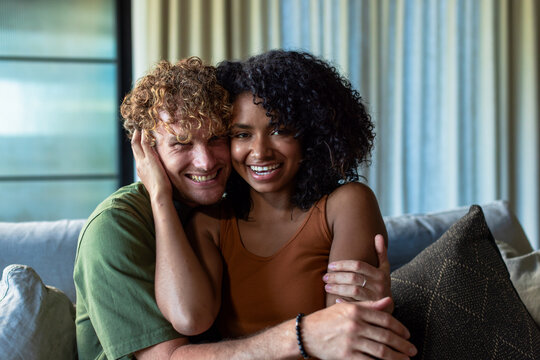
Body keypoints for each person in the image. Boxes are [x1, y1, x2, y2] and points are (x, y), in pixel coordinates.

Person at [74, 56, 416, 360]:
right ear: (147, 151)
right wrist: (159, 197)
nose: (205, 161)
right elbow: (184, 331)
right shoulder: (124, 226)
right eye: (241, 134)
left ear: (311, 134)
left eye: (216, 138)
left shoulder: (342, 205)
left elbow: (348, 337)